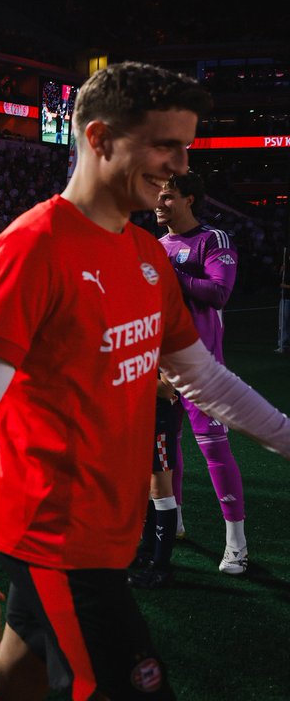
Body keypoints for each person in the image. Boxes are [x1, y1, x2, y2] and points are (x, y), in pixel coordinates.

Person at [0, 62, 290, 701]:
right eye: (164, 144)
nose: (180, 165)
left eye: (184, 146)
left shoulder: (146, 254)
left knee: (18, 682)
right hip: (56, 535)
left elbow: (202, 377)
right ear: (99, 139)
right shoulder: (30, 248)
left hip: (108, 528)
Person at [155, 173, 248, 572]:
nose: (158, 204)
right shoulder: (157, 245)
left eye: (167, 197)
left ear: (189, 199)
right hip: (161, 369)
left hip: (202, 370)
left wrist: (172, 274)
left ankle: (237, 544)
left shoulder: (214, 240)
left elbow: (219, 292)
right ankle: (173, 522)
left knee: (215, 451)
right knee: (165, 452)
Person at [128, 374, 183, 590]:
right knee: (148, 489)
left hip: (159, 421)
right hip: (140, 416)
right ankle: (147, 551)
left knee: (161, 490)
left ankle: (161, 568)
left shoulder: (162, 343)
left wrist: (123, 376)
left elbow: (168, 389)